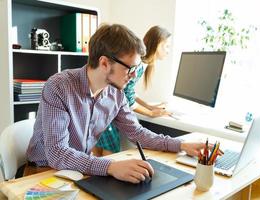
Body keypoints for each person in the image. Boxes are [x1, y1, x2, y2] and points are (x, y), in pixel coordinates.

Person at [26, 24, 206, 184]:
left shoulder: (116, 94)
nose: (134, 75)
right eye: (130, 68)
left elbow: (137, 133)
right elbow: (58, 153)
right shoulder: (59, 86)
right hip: (43, 171)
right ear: (104, 63)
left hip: (79, 170)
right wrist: (111, 166)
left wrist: (181, 145)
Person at [95, 26, 173, 155]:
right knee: (110, 153)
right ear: (157, 44)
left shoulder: (141, 64)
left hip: (102, 108)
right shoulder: (139, 65)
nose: (168, 50)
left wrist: (148, 106)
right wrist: (150, 113)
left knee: (97, 152)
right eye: (166, 46)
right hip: (108, 111)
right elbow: (128, 96)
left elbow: (129, 91)